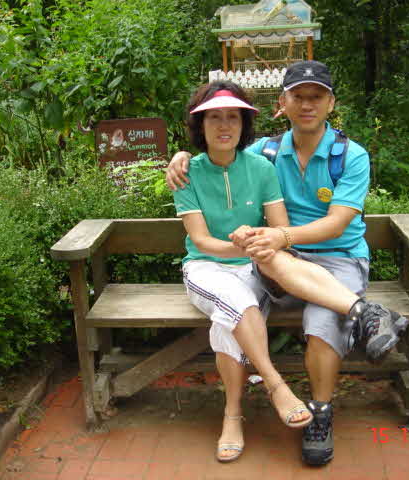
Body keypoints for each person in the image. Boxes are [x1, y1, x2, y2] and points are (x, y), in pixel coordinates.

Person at [166, 61, 409, 466]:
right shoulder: (266, 152)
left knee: (323, 320)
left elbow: (337, 224)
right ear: (283, 102)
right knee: (235, 308)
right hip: (277, 259)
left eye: (316, 97)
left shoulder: (350, 155)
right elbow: (222, 151)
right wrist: (181, 157)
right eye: (298, 96)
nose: (307, 104)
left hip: (336, 258)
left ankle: (321, 414)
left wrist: (281, 238)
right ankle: (365, 314)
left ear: (331, 103)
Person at [174, 81, 314, 463]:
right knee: (237, 301)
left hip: (253, 268)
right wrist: (239, 246)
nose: (224, 125)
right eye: (214, 118)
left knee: (230, 319)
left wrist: (252, 237)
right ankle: (275, 384)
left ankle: (232, 416)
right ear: (200, 126)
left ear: (244, 124)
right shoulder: (187, 173)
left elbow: (280, 230)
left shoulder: (261, 168)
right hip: (204, 268)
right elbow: (201, 241)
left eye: (232, 117)